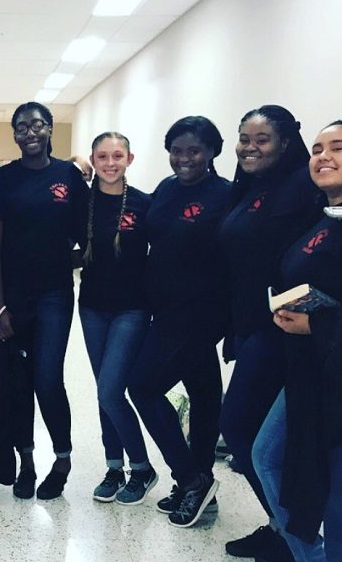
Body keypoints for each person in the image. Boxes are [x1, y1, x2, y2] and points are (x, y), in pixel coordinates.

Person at [217, 106, 342, 561]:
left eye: (339, 148)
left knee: (315, 465)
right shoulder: (326, 212)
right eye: (318, 149)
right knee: (304, 461)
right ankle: (318, 554)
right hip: (314, 358)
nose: (323, 156)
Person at [0, 101, 88, 500]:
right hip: (15, 297)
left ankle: (62, 459)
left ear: (49, 130)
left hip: (56, 294)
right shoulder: (2, 180)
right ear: (14, 134)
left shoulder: (69, 177)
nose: (29, 132)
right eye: (21, 127)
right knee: (19, 383)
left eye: (37, 125)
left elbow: (85, 234)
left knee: (47, 378)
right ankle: (26, 462)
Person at [128, 116, 229, 527]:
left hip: (199, 314)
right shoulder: (168, 190)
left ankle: (189, 479)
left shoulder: (225, 195)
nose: (184, 158)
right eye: (176, 150)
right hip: (165, 310)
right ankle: (202, 485)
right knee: (204, 395)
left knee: (144, 387)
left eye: (194, 150)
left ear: (212, 152)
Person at [76, 133, 154, 505]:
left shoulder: (144, 203)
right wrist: (76, 166)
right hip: (91, 307)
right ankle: (113, 466)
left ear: (130, 158)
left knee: (110, 390)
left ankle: (142, 468)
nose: (110, 163)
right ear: (93, 159)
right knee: (103, 392)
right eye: (102, 156)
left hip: (131, 309)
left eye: (117, 156)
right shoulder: (82, 202)